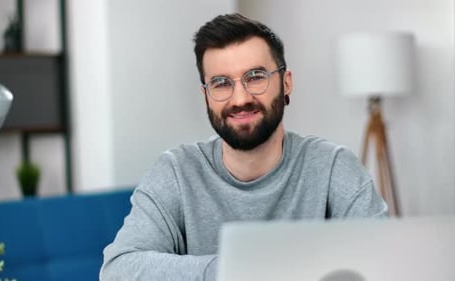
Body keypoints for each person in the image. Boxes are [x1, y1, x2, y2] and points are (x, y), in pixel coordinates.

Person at [100, 13, 388, 281]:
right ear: (206, 95)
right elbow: (118, 270)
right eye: (221, 83)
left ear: (286, 83)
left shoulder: (333, 166)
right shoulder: (176, 171)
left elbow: (384, 263)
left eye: (255, 77)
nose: (240, 98)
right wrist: (236, 267)